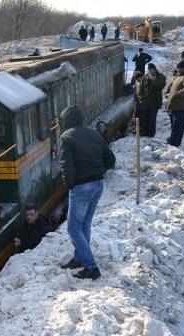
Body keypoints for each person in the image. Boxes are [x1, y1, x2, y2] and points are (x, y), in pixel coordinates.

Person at [59, 106, 115, 280]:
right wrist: (98, 171)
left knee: (74, 228)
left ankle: (91, 267)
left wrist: (71, 185)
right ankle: (79, 257)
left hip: (81, 187)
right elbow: (110, 159)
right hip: (98, 185)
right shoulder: (94, 134)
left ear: (65, 121)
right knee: (85, 224)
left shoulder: (66, 138)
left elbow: (66, 166)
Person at [165, 61, 184, 147]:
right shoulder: (179, 75)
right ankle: (172, 138)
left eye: (180, 69)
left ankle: (176, 142)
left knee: (178, 125)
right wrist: (168, 93)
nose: (178, 70)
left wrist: (175, 94)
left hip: (183, 106)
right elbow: (173, 87)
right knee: (174, 124)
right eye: (177, 68)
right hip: (175, 104)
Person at [137, 63, 166, 137]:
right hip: (145, 101)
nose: (150, 71)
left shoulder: (161, 77)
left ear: (155, 69)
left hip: (155, 102)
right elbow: (141, 89)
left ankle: (151, 133)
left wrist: (154, 80)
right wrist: (141, 98)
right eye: (149, 69)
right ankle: (145, 132)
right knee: (144, 118)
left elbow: (161, 86)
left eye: (151, 69)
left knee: (152, 119)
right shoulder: (145, 77)